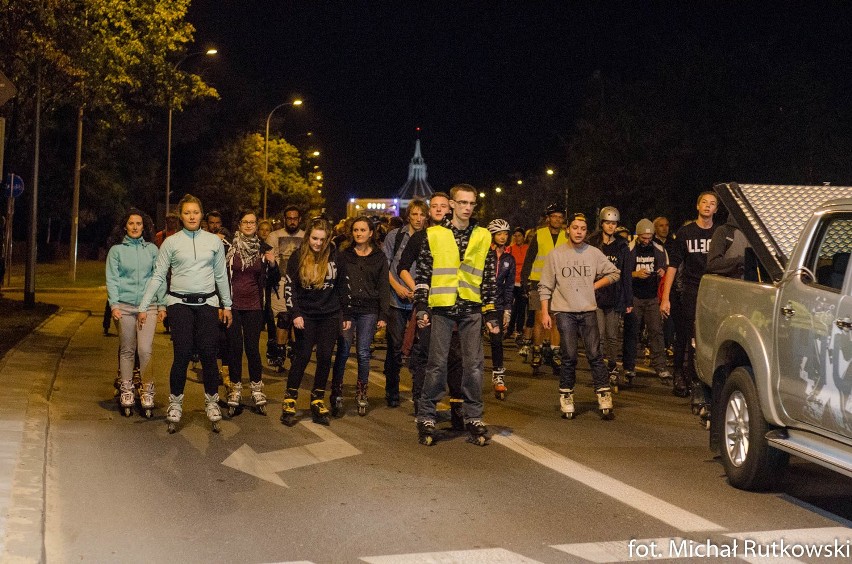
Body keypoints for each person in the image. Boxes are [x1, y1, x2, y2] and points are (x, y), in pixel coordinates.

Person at [138, 194, 232, 433]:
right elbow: (159, 276)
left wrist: (227, 305)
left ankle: (212, 402)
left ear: (202, 215)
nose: (192, 216)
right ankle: (175, 403)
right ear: (180, 216)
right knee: (181, 355)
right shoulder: (171, 243)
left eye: (196, 212)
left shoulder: (213, 242)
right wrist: (143, 306)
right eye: (187, 212)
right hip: (179, 305)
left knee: (209, 355)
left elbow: (221, 275)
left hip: (208, 304)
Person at [413, 184, 499, 446]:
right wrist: (422, 307)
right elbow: (424, 273)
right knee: (436, 364)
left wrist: (491, 312)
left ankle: (474, 416)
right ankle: (426, 415)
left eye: (471, 203)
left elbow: (487, 277)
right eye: (462, 203)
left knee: (474, 366)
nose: (467, 208)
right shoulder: (434, 234)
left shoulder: (484, 235)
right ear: (451, 204)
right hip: (442, 308)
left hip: (471, 307)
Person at [539, 213, 620, 419]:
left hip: (588, 310)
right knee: (570, 355)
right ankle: (566, 394)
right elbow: (545, 285)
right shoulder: (556, 255)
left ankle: (603, 392)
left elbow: (614, 273)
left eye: (583, 229)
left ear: (587, 231)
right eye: (575, 228)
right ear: (568, 229)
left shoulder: (593, 253)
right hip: (565, 311)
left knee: (595, 353)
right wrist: (545, 312)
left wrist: (594, 285)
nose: (578, 232)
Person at [397, 193, 464, 424]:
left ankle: (457, 409)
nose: (438, 209)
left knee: (456, 357)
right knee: (425, 355)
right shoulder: (421, 237)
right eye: (433, 206)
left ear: (451, 208)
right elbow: (402, 267)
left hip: (454, 305)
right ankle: (422, 403)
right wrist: (419, 290)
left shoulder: (458, 236)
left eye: (443, 206)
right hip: (429, 306)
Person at [281, 218, 351, 426]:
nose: (318, 243)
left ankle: (317, 398)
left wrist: (346, 314)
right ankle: (290, 398)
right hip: (306, 314)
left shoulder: (337, 256)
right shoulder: (298, 255)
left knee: (324, 357)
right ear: (308, 236)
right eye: (314, 238)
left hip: (330, 314)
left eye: (322, 239)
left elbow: (343, 286)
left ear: (328, 238)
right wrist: (295, 313)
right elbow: (290, 286)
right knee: (302, 356)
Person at [660, 191, 719, 404]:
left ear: (716, 209)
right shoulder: (685, 232)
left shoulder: (719, 234)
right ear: (697, 206)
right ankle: (679, 373)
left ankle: (701, 380)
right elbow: (673, 265)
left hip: (713, 291)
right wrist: (665, 297)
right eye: (704, 202)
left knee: (705, 338)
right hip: (691, 290)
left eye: (712, 204)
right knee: (685, 335)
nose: (708, 206)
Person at [105, 208, 165, 418]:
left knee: (145, 349)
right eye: (131, 224)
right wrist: (114, 305)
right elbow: (112, 279)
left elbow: (160, 278)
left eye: (139, 224)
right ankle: (127, 389)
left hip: (148, 307)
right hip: (124, 307)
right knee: (127, 350)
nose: (135, 227)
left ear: (144, 227)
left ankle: (147, 388)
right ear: (125, 227)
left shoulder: (152, 250)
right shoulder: (116, 251)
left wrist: (162, 305)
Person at [331, 217, 390, 416]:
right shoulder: (344, 255)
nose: (359, 233)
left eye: (363, 230)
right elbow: (337, 284)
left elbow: (383, 286)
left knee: (364, 352)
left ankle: (362, 392)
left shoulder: (379, 257)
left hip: (369, 310)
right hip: (347, 309)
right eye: (356, 230)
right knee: (344, 349)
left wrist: (383, 314)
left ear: (371, 233)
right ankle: (336, 391)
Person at [223, 210, 280, 416]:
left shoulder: (263, 249)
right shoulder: (228, 247)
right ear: (239, 225)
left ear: (257, 225)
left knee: (253, 349)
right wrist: (222, 305)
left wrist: (273, 264)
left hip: (255, 306)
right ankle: (236, 388)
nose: (248, 226)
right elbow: (220, 275)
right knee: (235, 348)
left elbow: (273, 280)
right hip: (233, 306)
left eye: (252, 222)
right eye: (245, 222)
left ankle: (256, 387)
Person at [382, 200, 427, 407]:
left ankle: (419, 392)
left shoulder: (429, 237)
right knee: (395, 346)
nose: (418, 219)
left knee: (419, 349)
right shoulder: (395, 236)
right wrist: (398, 288)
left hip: (420, 301)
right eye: (415, 214)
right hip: (397, 299)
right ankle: (392, 388)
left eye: (422, 215)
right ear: (408, 216)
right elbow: (386, 266)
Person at [587, 206, 633, 390]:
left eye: (614, 223)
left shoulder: (622, 245)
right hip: (595, 294)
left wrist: (628, 300)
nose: (611, 226)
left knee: (613, 335)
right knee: (598, 335)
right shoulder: (593, 243)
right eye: (608, 223)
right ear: (602, 223)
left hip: (615, 295)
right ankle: (599, 369)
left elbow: (627, 274)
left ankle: (612, 366)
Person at [621, 218, 670, 386]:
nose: (647, 240)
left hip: (652, 297)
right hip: (634, 296)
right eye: (643, 237)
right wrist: (635, 274)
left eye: (649, 237)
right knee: (631, 332)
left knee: (656, 331)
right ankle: (629, 366)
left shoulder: (658, 249)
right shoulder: (629, 249)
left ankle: (661, 366)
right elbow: (621, 272)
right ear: (637, 235)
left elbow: (666, 267)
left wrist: (661, 271)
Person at [520, 203, 567, 373]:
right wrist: (525, 280)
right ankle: (537, 350)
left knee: (556, 319)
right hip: (538, 282)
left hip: (560, 284)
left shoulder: (566, 236)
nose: (557, 219)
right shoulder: (539, 235)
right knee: (540, 318)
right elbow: (530, 258)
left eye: (560, 217)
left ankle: (555, 351)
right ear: (548, 219)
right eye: (554, 216)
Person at [266, 205, 305, 370]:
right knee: (283, 318)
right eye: (289, 218)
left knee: (297, 319)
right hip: (280, 282)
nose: (292, 221)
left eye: (295, 218)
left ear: (299, 219)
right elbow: (270, 260)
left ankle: (295, 353)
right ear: (284, 219)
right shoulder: (274, 236)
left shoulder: (305, 237)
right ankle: (280, 353)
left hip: (301, 284)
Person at [486, 218, 515, 400]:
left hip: (497, 304)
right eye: (499, 234)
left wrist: (507, 310)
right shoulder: (483, 254)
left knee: (497, 340)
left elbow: (509, 286)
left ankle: (498, 376)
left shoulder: (509, 259)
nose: (503, 237)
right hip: (479, 302)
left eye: (505, 234)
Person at [506, 227, 529, 339]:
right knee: (513, 306)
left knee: (520, 306)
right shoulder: (510, 249)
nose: (517, 238)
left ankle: (516, 330)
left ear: (523, 237)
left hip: (523, 282)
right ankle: (512, 329)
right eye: (515, 236)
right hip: (512, 281)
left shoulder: (527, 248)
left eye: (519, 235)